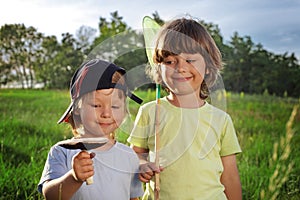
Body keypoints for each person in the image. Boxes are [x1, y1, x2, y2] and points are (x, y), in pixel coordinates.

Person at [128, 17, 242, 199]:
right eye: (169, 61)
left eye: (190, 60)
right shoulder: (150, 112)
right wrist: (142, 164)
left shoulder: (221, 120)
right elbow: (135, 155)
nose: (180, 68)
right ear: (158, 68)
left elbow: (230, 176)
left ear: (207, 67)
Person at [38, 59, 144, 200]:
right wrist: (73, 178)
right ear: (76, 109)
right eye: (95, 105)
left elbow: (133, 197)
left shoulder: (129, 156)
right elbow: (50, 195)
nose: (106, 114)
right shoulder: (62, 152)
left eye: (115, 107)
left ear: (124, 111)